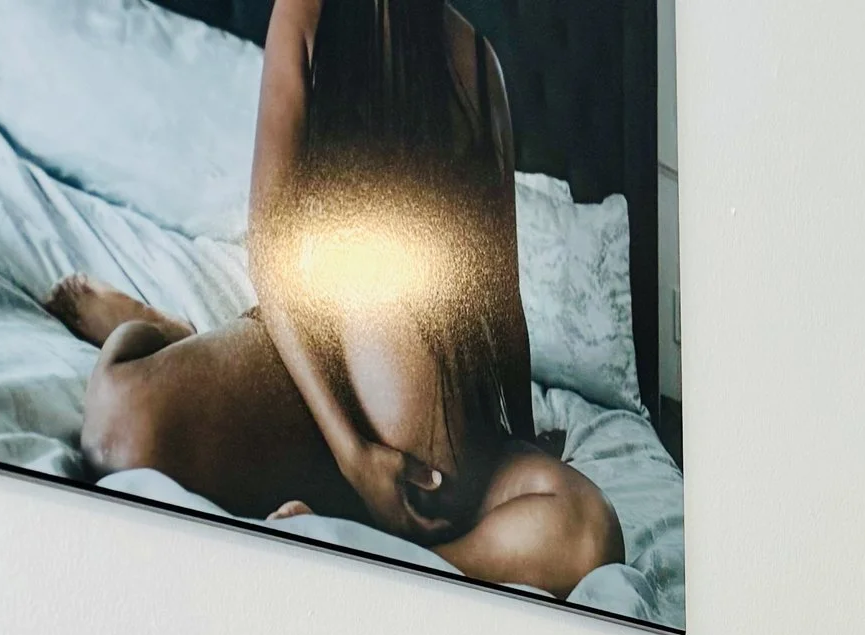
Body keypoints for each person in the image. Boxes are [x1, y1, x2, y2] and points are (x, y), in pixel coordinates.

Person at [46, 0, 622, 599]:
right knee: (117, 440)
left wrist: (522, 436)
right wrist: (354, 458)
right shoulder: (306, 13)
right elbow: (270, 255)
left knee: (588, 535)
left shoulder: (479, 66)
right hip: (310, 385)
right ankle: (170, 332)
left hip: (441, 469)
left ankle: (361, 547)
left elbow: (502, 302)